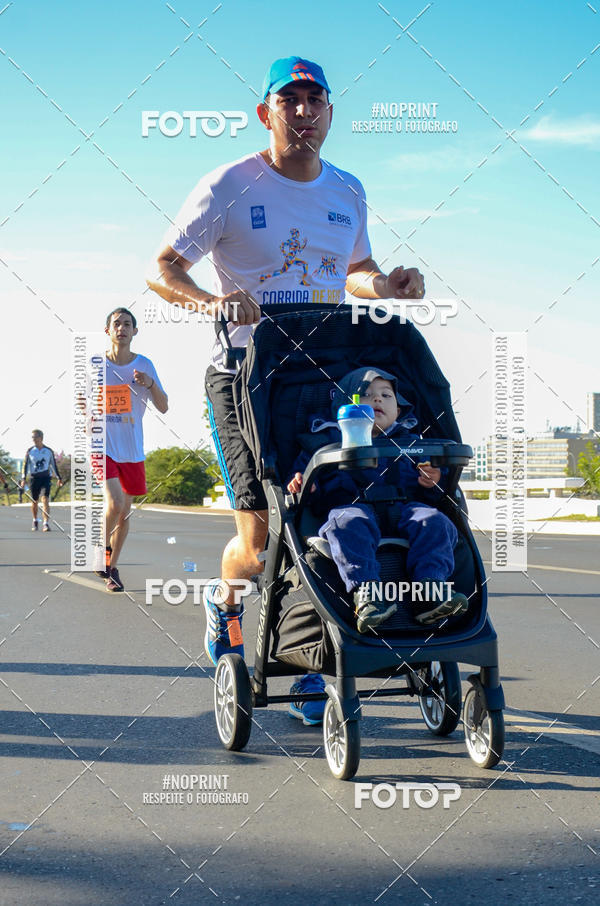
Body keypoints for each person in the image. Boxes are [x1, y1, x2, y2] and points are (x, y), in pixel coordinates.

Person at [147, 56, 425, 724]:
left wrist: (385, 286)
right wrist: (215, 300)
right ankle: (226, 602)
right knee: (263, 533)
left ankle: (304, 658)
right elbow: (162, 268)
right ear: (265, 113)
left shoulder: (348, 190)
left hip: (323, 373)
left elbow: (355, 268)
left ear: (330, 112)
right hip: (245, 375)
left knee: (319, 514)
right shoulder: (228, 186)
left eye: (315, 99)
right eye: (289, 99)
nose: (303, 111)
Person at [97, 308, 168, 592]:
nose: (122, 328)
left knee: (124, 514)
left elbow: (163, 406)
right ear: (108, 331)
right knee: (114, 502)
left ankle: (112, 568)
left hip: (132, 448)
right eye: (116, 324)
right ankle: (100, 556)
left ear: (135, 331)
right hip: (102, 446)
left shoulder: (145, 365)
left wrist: (149, 384)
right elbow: (81, 403)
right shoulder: (95, 365)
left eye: (127, 324)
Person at [20, 430, 63, 530]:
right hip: (34, 478)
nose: (33, 439)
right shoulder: (30, 451)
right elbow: (25, 466)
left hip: (45, 477)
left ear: (41, 438)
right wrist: (23, 478)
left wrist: (59, 477)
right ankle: (35, 520)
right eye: (32, 437)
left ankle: (45, 523)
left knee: (45, 500)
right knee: (34, 501)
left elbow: (53, 465)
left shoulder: (48, 451)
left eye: (35, 437)